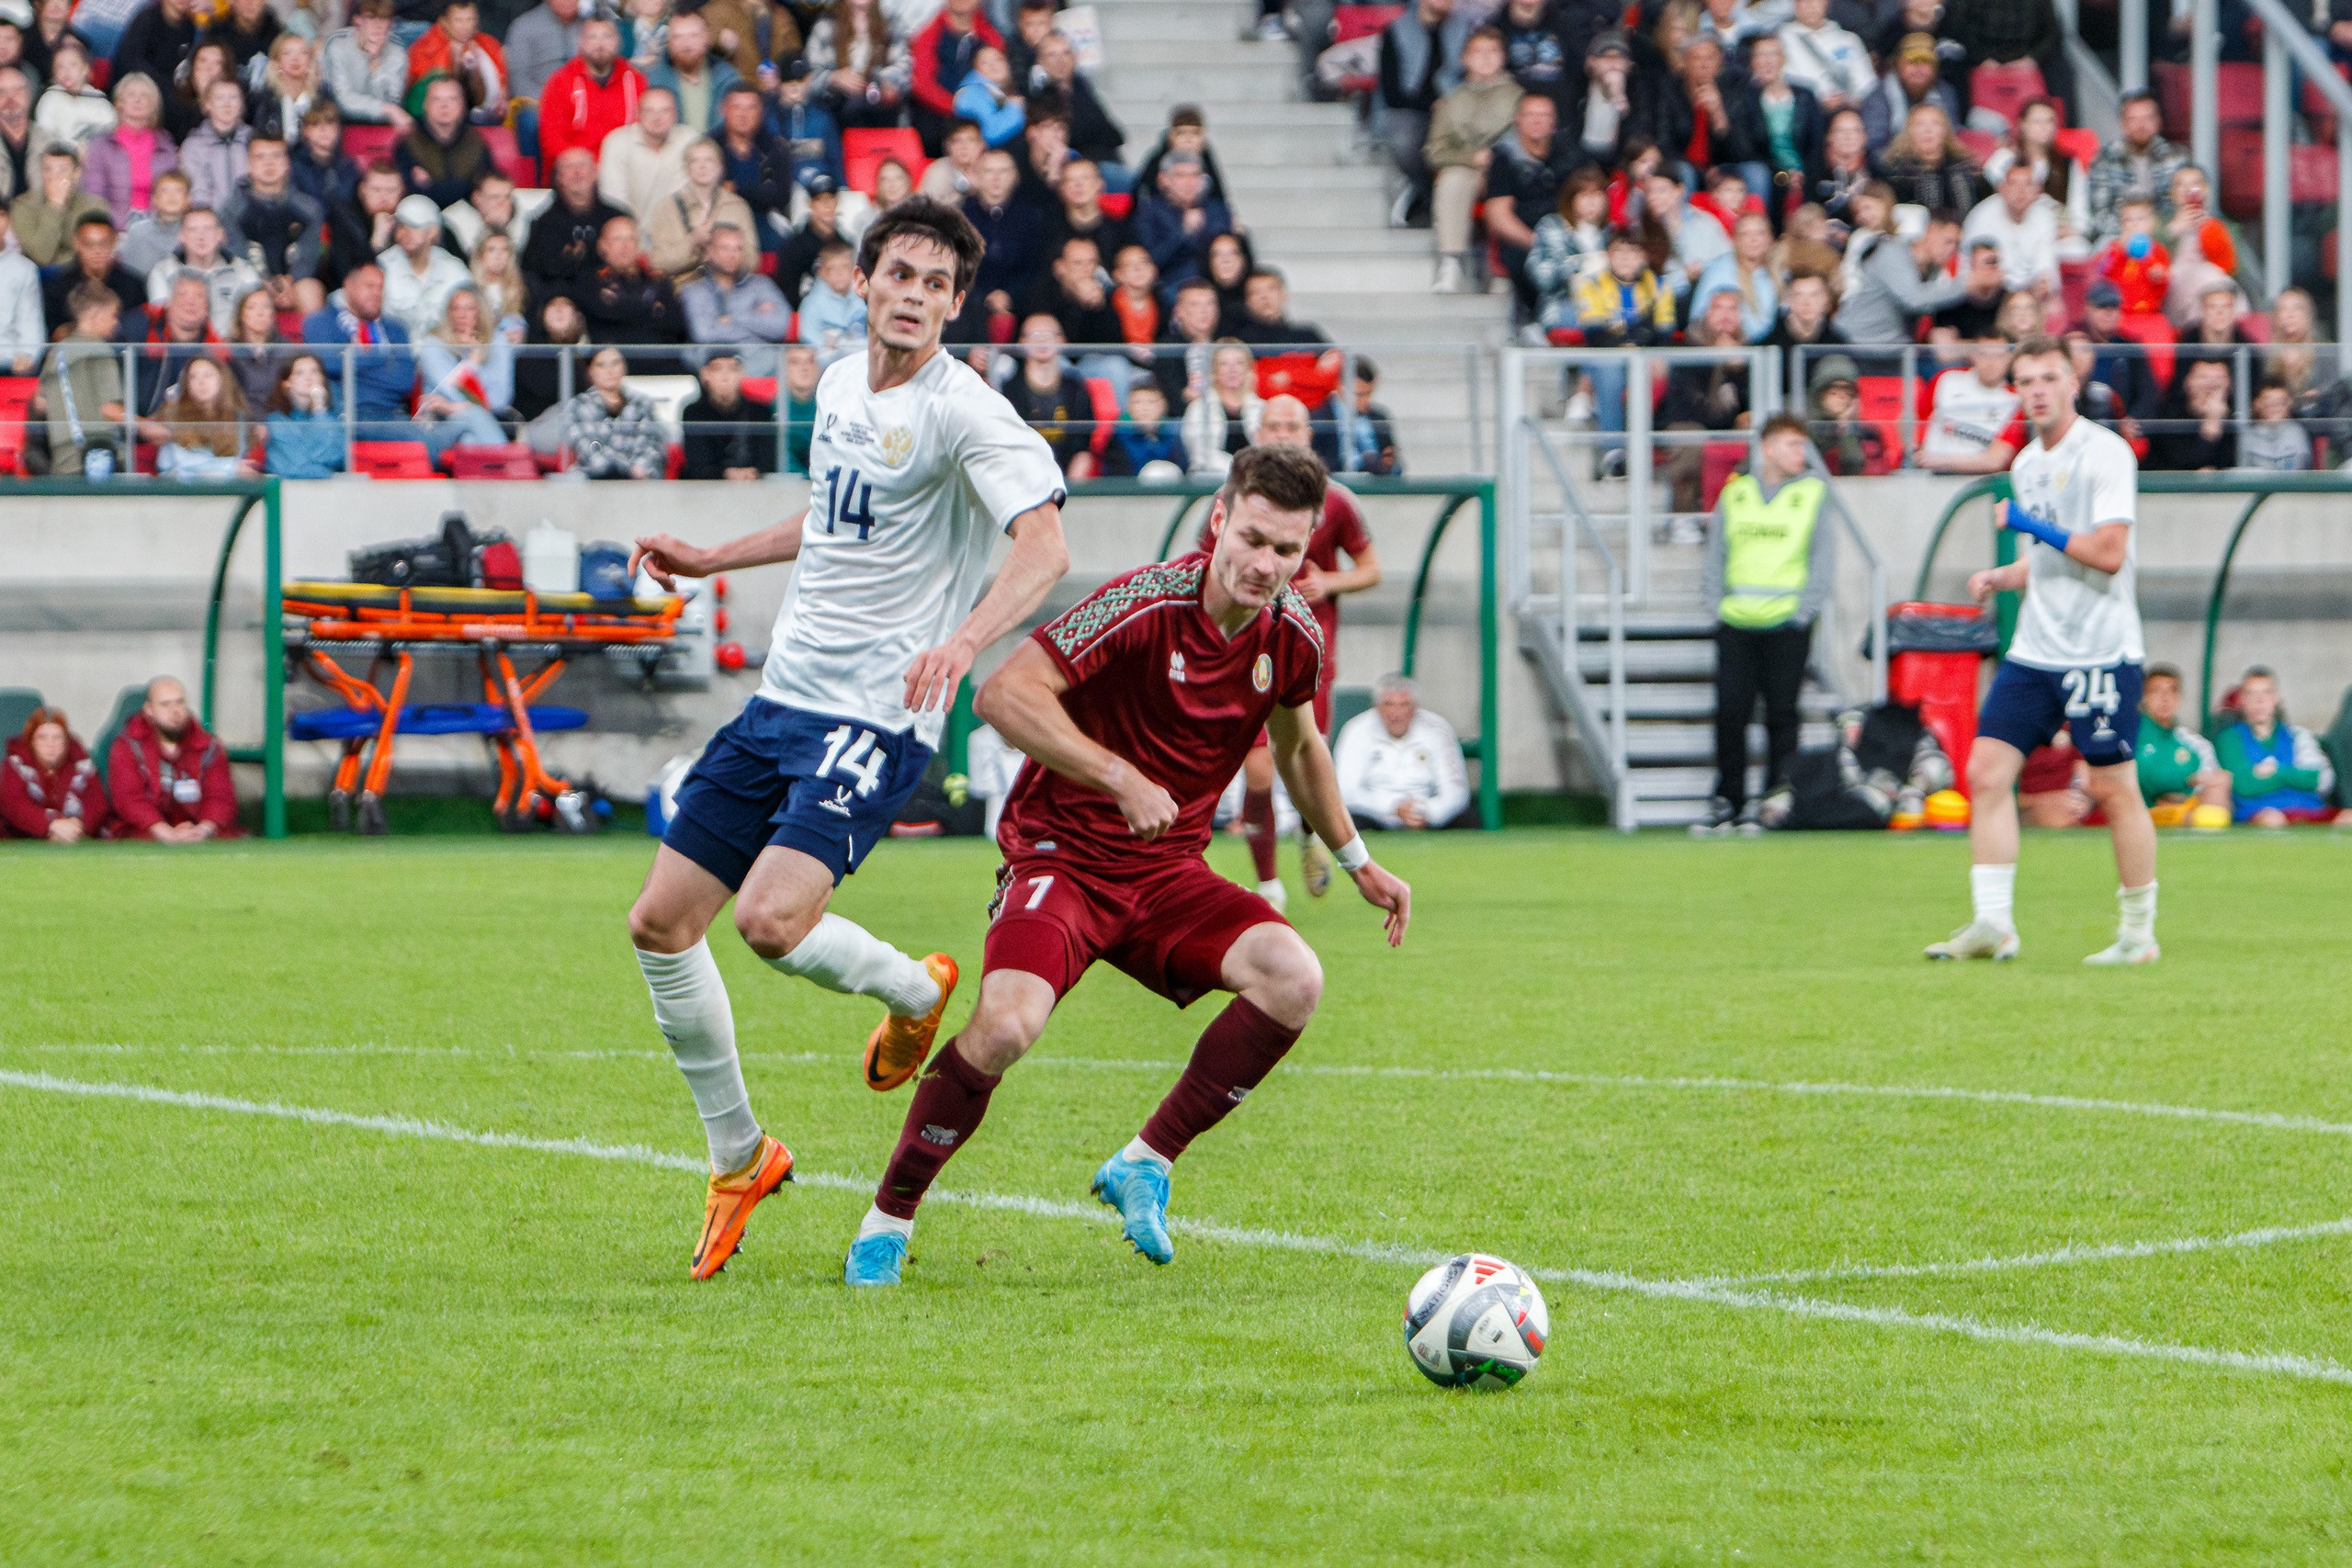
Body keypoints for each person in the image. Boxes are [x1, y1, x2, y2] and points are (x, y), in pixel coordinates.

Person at [617, 196, 1069, 1282]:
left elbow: (1045, 545)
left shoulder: (966, 412)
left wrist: (963, 644)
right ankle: (740, 1157)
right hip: (783, 698)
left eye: (935, 284)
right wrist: (710, 558)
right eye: (898, 274)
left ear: (954, 306)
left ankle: (913, 990)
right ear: (860, 282)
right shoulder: (833, 386)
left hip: (879, 711)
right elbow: (833, 516)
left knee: (769, 921)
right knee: (659, 924)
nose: (913, 295)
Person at [834, 441, 1408, 1286]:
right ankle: (887, 1219)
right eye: (1252, 539)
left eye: (1288, 550)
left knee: (1294, 977)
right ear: (1219, 519)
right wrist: (1117, 775)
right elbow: (1001, 694)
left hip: (1167, 873)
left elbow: (1299, 746)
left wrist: (1357, 859)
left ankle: (1145, 1160)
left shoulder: (1292, 635)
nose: (1266, 564)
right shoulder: (1142, 602)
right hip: (1061, 858)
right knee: (1006, 1027)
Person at [1928, 334, 2158, 964]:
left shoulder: (2105, 453)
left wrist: (2030, 525)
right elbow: (2052, 555)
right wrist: (2006, 575)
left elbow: (2107, 554)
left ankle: (2138, 933)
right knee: (1985, 772)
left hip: (2100, 651)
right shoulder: (2027, 463)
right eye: (2026, 381)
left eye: (2048, 378)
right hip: (2037, 649)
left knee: (2113, 788)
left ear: (2072, 382)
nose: (2037, 391)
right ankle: (1993, 924)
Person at [1204, 393, 1382, 904]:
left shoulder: (1336, 502)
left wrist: (1330, 582)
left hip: (1308, 653)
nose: (1282, 434)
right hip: (1244, 648)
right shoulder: (1232, 502)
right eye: (1273, 426)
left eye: (1292, 426)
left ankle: (1310, 833)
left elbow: (1372, 568)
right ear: (1257, 434)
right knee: (1259, 767)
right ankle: (1268, 883)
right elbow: (1204, 565)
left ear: (1308, 435)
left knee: (1303, 754)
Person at [1425, 27, 1521, 296]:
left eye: (1493, 51)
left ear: (1503, 57)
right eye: (1478, 52)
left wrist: (1497, 158)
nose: (1486, 58)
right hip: (1468, 168)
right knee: (1452, 181)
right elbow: (1435, 151)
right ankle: (1451, 262)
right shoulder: (1452, 100)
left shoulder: (1518, 96)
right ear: (1465, 58)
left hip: (1507, 167)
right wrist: (1471, 157)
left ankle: (1503, 270)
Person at [1478, 90, 1575, 318]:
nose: (1537, 121)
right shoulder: (1504, 158)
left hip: (1566, 234)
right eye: (1531, 115)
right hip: (1524, 239)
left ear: (1554, 122)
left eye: (1544, 115)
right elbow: (1498, 215)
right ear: (1517, 120)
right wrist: (1538, 243)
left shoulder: (1569, 153)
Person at [1835, 207, 1985, 352]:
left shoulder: (1932, 271)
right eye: (1948, 241)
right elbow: (1914, 299)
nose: (1951, 250)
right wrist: (1966, 284)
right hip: (1850, 345)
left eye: (1956, 245)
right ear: (1931, 231)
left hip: (1890, 351)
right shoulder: (1892, 252)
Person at [107, 676, 239, 841]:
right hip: (146, 837)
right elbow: (129, 799)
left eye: (180, 702)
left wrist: (202, 830)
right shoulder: (127, 746)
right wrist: (165, 832)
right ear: (148, 709)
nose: (175, 711)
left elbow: (220, 796)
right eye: (165, 704)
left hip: (200, 837)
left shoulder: (209, 746)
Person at [1335, 673, 1471, 830]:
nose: (1396, 713)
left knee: (1468, 820)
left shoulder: (1438, 729)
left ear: (1415, 707)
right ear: (1376, 706)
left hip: (1427, 810)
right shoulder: (1356, 730)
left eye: (1404, 705)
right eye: (1388, 704)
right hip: (1374, 814)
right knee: (1346, 823)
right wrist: (1393, 807)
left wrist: (1426, 811)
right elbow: (1345, 790)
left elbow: (1455, 789)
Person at [1377, 0, 1472, 225]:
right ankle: (1428, 199)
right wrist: (1432, 105)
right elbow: (1392, 93)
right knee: (1403, 141)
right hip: (1412, 109)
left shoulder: (1464, 29)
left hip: (1456, 109)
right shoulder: (1397, 31)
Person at [300, 259, 417, 437]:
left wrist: (351, 364)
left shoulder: (397, 329)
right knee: (424, 440)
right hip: (346, 417)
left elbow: (404, 382)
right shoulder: (320, 322)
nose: (376, 293)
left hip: (393, 415)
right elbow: (328, 365)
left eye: (380, 288)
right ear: (348, 285)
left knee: (429, 437)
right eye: (369, 286)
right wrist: (382, 357)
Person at [2216, 668, 2340, 827]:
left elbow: (2318, 778)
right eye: (2251, 694)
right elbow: (2244, 785)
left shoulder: (2297, 735)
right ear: (2242, 700)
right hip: (2261, 812)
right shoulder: (2229, 738)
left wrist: (2276, 771)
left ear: (2276, 698)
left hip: (2309, 808)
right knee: (2273, 820)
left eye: (2266, 693)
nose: (2259, 701)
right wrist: (2294, 776)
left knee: (2348, 817)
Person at [220, 134, 326, 317]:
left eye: (276, 156)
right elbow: (236, 255)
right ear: (249, 165)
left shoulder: (309, 209)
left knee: (311, 290)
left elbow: (308, 255)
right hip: (250, 283)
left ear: (287, 164)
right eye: (260, 157)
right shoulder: (231, 210)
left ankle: (312, 337)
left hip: (294, 285)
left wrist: (291, 281)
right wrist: (263, 283)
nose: (269, 163)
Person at [414, 280, 515, 452]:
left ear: (481, 312)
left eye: (470, 309)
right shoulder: (433, 344)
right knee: (473, 418)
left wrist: (452, 407)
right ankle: (511, 465)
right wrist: (473, 361)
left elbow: (500, 400)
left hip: (487, 422)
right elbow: (452, 392)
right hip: (441, 424)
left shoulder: (498, 341)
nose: (461, 315)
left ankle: (507, 466)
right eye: (455, 308)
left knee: (469, 441)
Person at [537, 17, 644, 175]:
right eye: (592, 37)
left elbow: (644, 131)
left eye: (607, 37)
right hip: (576, 170)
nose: (600, 44)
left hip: (624, 168)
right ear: (580, 42)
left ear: (618, 41)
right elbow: (551, 139)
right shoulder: (560, 81)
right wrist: (585, 167)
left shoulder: (636, 80)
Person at [680, 220, 789, 375]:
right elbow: (704, 334)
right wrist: (755, 322)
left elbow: (780, 326)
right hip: (713, 365)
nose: (732, 255)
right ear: (710, 251)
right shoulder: (694, 290)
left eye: (738, 249)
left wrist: (732, 318)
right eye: (725, 248)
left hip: (758, 363)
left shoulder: (761, 285)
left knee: (781, 359)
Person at [40, 282, 126, 474]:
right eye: (113, 315)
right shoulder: (100, 350)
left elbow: (40, 403)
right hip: (99, 459)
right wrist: (146, 426)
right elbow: (111, 410)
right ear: (94, 314)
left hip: (62, 462)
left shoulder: (56, 353)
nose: (116, 323)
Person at [1000, 310, 1095, 479]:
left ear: (1062, 341)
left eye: (1048, 336)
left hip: (1068, 477)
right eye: (1035, 336)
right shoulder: (1010, 390)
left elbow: (1083, 447)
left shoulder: (1075, 388)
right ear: (1022, 342)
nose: (1042, 342)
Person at [520, 146, 622, 302]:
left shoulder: (617, 218)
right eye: (569, 167)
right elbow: (535, 274)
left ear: (595, 173)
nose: (577, 173)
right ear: (559, 177)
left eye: (582, 165)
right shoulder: (544, 224)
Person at [2086, 90, 2188, 245]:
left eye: (2147, 118)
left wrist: (2159, 232)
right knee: (2105, 246)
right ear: (2123, 123)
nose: (2141, 125)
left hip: (2167, 233)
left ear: (2158, 121)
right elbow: (2100, 213)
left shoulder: (2177, 157)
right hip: (2119, 234)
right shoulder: (2105, 158)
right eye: (2133, 119)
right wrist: (2129, 232)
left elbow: (2181, 207)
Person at [2133, 663, 2229, 824]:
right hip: (2147, 810)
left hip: (2183, 805)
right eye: (2156, 691)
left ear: (2179, 698)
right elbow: (2147, 778)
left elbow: (2209, 774)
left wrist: (2190, 788)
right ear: (2144, 697)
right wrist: (2188, 780)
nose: (2165, 698)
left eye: (2172, 691)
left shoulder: (2187, 740)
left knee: (2220, 782)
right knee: (2204, 817)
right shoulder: (2136, 732)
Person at [645, 136, 751, 277]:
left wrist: (720, 253)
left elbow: (751, 260)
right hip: (683, 285)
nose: (702, 166)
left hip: (730, 285)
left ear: (720, 167)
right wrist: (693, 241)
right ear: (687, 168)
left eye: (709, 160)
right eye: (695, 161)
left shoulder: (737, 206)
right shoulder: (668, 207)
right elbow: (659, 261)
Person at [1, 705, 109, 842]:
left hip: (77, 839)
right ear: (31, 741)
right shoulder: (15, 764)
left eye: (57, 737)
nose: (50, 744)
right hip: (22, 840)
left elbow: (97, 805)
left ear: (66, 742)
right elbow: (14, 805)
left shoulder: (82, 764)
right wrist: (52, 825)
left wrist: (78, 827)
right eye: (42, 737)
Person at [85, 76, 178, 231]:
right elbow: (94, 195)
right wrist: (124, 225)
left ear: (154, 104)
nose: (138, 100)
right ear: (119, 103)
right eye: (131, 95)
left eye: (144, 95)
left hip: (159, 227)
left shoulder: (166, 145)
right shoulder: (101, 145)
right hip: (114, 228)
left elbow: (175, 193)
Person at [1916, 336, 2020, 474]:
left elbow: (1996, 461)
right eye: (1984, 355)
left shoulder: (2015, 400)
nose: (1991, 363)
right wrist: (1917, 450)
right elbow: (1913, 419)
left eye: (1999, 356)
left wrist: (1939, 460)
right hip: (1931, 474)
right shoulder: (1947, 379)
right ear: (1973, 355)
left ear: (2010, 359)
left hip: (1981, 478)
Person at [711, 83, 791, 256]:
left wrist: (737, 188)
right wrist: (758, 192)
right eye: (736, 107)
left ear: (761, 113)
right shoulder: (710, 146)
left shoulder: (773, 147)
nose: (743, 114)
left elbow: (780, 195)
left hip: (763, 220)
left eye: (750, 108)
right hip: (718, 220)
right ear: (723, 109)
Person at [580, 212, 683, 347]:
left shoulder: (656, 279)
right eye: (617, 239)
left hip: (657, 354)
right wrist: (649, 305)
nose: (625, 245)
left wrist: (627, 305)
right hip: (613, 354)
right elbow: (608, 316)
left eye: (631, 239)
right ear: (602, 246)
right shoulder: (592, 280)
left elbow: (675, 323)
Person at [804, 0, 910, 131]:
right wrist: (834, 78)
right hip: (836, 113)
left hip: (881, 113)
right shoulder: (825, 27)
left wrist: (884, 83)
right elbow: (809, 78)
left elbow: (903, 71)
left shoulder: (891, 25)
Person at [1962, 160, 2060, 302]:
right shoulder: (1982, 215)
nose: (2021, 192)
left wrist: (2041, 285)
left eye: (2028, 184)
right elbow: (1978, 270)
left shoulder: (2045, 217)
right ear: (2001, 187)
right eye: (2014, 183)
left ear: (2038, 190)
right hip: (1990, 295)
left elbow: (2045, 267)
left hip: (2029, 295)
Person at [1134, 149, 1227, 296]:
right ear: (1164, 180)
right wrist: (1184, 233)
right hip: (1170, 286)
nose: (1189, 183)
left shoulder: (1216, 210)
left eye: (1195, 175)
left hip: (1216, 288)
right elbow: (1151, 261)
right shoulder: (1149, 212)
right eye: (1181, 176)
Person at [561, 342, 662, 477]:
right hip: (594, 478)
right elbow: (588, 450)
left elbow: (651, 445)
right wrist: (625, 470)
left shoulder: (642, 403)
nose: (609, 371)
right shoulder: (577, 406)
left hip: (638, 479)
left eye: (615, 363)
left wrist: (639, 469)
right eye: (601, 365)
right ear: (590, 372)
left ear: (624, 367)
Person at [377, 190, 468, 338]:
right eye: (400, 226)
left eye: (413, 226)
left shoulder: (454, 269)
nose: (405, 232)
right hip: (397, 350)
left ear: (433, 231)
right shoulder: (382, 266)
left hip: (444, 349)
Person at [393, 73, 490, 209]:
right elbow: (408, 192)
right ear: (425, 105)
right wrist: (463, 185)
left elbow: (483, 188)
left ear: (462, 105)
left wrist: (429, 185)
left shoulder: (476, 142)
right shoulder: (408, 143)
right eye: (436, 99)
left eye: (452, 99)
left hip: (468, 212)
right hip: (423, 213)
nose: (444, 105)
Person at [596, 85, 690, 223]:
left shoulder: (689, 141)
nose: (657, 117)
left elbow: (690, 197)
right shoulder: (616, 143)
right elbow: (614, 200)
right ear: (637, 114)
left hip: (677, 228)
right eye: (649, 110)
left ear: (676, 115)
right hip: (627, 228)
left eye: (665, 110)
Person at [679, 346, 775, 479]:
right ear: (705, 374)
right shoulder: (693, 413)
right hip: (706, 488)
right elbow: (697, 463)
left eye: (732, 369)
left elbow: (769, 460)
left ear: (742, 373)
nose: (725, 377)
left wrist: (754, 473)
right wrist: (726, 474)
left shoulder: (760, 411)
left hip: (754, 486)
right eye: (717, 369)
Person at [405, 0, 505, 126]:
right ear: (444, 22)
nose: (465, 26)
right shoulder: (424, 49)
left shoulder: (489, 43)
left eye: (470, 19)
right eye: (459, 20)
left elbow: (503, 80)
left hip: (493, 115)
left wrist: (503, 96)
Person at [1860, 29, 1956, 155]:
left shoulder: (1945, 92)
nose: (1919, 69)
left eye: (1926, 62)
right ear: (1897, 65)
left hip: (1937, 162)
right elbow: (1875, 148)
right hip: (1894, 163)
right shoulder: (1878, 97)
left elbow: (1952, 139)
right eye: (1912, 62)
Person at [318, 0, 408, 132]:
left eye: (383, 19)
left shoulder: (396, 52)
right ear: (357, 20)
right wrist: (385, 109)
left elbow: (393, 101)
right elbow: (343, 102)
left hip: (383, 127)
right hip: (341, 125)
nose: (378, 25)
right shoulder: (337, 46)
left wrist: (376, 65)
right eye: (371, 18)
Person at [10, 141, 106, 265]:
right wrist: (55, 205)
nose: (54, 176)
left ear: (76, 173)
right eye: (47, 169)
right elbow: (41, 256)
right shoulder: (23, 205)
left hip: (81, 271)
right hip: (40, 272)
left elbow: (96, 253)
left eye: (62, 169)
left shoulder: (95, 205)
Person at [1181, 341, 1261, 476]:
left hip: (1256, 478)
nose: (1232, 369)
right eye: (1224, 364)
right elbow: (1201, 456)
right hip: (1212, 478)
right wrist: (1241, 471)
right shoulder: (1199, 408)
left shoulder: (1262, 408)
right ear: (1214, 371)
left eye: (1239, 363)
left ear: (1249, 369)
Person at [1774, 0, 1871, 111]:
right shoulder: (1780, 40)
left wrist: (1850, 102)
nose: (1810, 5)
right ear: (1795, 4)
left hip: (1849, 112)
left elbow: (1867, 84)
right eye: (1804, 1)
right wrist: (1818, 103)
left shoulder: (1849, 39)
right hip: (1802, 112)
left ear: (1827, 3)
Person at [264, 349, 345, 476]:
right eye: (299, 373)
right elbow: (297, 468)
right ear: (286, 383)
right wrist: (325, 471)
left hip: (330, 487)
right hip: (289, 487)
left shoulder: (334, 416)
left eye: (315, 371)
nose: (309, 377)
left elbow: (335, 457)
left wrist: (319, 409)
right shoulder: (276, 421)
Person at [2146, 356, 2233, 470]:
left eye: (2219, 378)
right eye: (2203, 377)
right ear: (2188, 382)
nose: (2211, 384)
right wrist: (2210, 425)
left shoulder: (2238, 414)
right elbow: (2181, 461)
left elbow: (2234, 460)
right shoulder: (2168, 412)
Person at [32, 39, 114, 151]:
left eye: (73, 64)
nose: (66, 71)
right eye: (60, 66)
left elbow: (108, 130)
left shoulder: (99, 99)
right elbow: (45, 134)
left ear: (86, 69)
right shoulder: (49, 98)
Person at [1102, 378, 1186, 476]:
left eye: (1151, 402)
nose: (1144, 408)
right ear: (1129, 407)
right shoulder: (1118, 439)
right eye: (1137, 402)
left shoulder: (1172, 437)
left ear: (1163, 406)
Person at [119, 165, 190, 275]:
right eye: (165, 191)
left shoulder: (194, 233)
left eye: (178, 190)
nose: (172, 196)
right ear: (154, 199)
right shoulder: (138, 232)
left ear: (188, 199)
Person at [1345, 358, 1401, 477]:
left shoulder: (1380, 416)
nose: (1366, 400)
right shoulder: (1326, 418)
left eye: (1370, 393)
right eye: (1360, 394)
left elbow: (1397, 467)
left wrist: (1389, 463)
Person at [0, 204, 37, 372]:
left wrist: (28, 355)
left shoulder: (24, 269)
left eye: (1, 215)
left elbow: (29, 321)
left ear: (8, 220)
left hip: (9, 364)